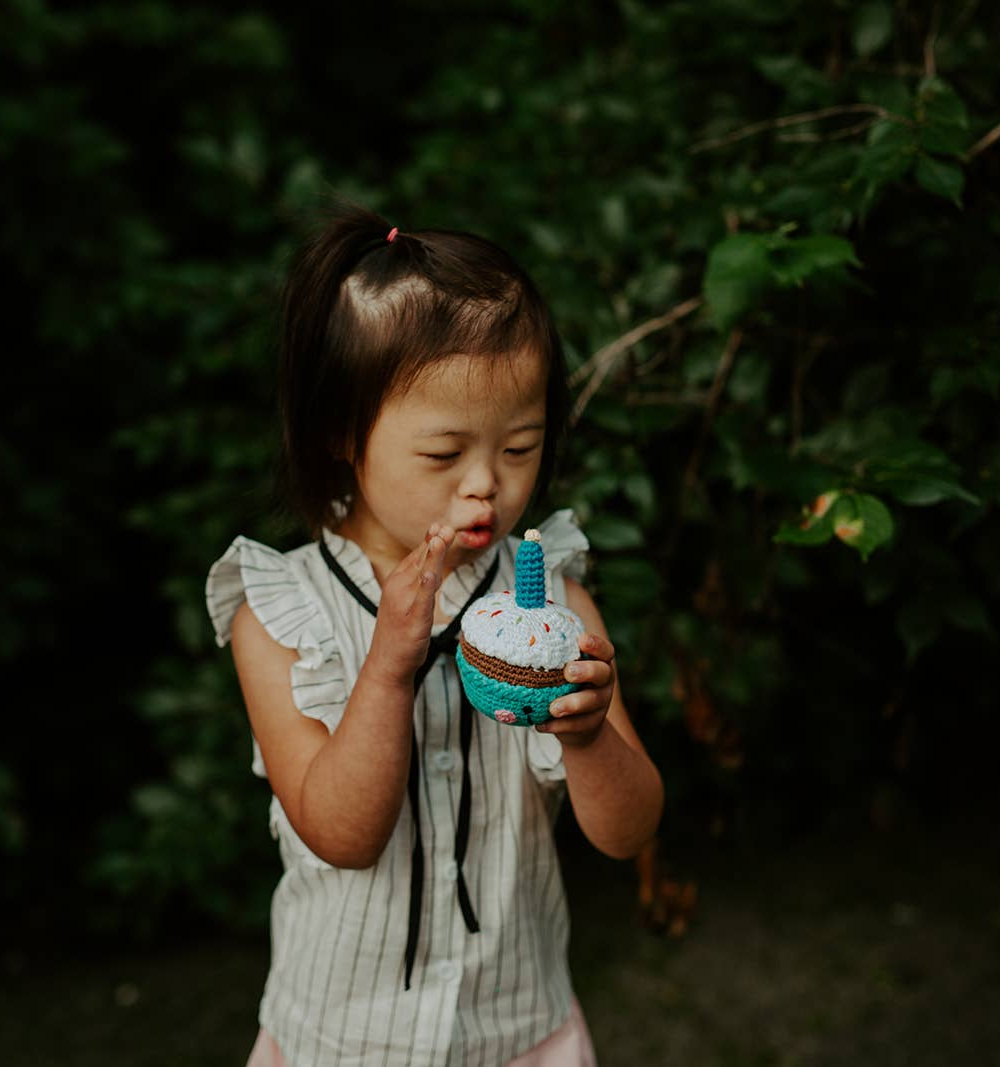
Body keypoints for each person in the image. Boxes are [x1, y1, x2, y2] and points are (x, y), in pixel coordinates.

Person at [204, 205, 664, 1066]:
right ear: (343, 434)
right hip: (342, 1039)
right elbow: (342, 833)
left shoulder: (554, 597)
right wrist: (384, 668)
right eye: (443, 454)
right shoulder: (276, 611)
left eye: (520, 446)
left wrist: (591, 734)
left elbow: (629, 831)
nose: (486, 484)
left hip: (517, 1028)